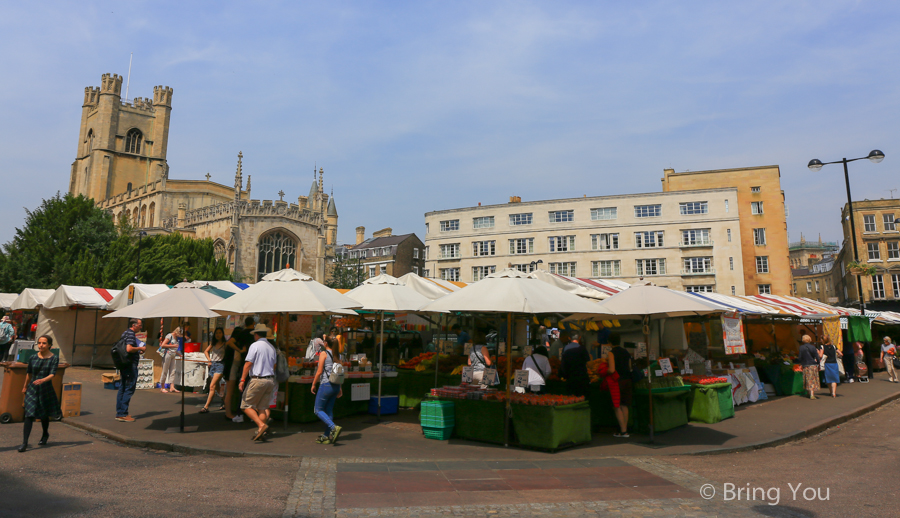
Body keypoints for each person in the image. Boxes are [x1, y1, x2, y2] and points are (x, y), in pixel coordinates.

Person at [18, 335, 60, 452]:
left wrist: (43, 380)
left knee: (44, 414)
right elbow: (29, 373)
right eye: (39, 343)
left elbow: (53, 373)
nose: (41, 345)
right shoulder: (32, 357)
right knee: (29, 414)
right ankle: (24, 443)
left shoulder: (54, 358)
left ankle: (45, 434)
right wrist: (25, 386)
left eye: (44, 343)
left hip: (45, 388)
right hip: (32, 388)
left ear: (50, 345)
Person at [239, 323, 277, 441]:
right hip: (270, 379)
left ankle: (261, 425)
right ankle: (261, 432)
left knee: (245, 405)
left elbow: (248, 363)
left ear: (256, 334)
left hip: (258, 379)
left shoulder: (255, 346)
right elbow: (274, 365)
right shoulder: (271, 347)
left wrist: (242, 379)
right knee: (262, 407)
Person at [311, 336, 344, 444]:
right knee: (328, 410)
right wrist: (340, 388)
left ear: (326, 344)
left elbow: (319, 371)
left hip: (326, 384)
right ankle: (326, 435)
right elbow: (340, 373)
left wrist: (313, 384)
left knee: (318, 410)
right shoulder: (338, 355)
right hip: (335, 385)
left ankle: (333, 427)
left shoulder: (324, 354)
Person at [224, 317, 254, 422]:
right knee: (233, 391)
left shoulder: (241, 336)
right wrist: (240, 350)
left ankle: (234, 412)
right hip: (236, 367)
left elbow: (229, 343)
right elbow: (229, 343)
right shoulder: (246, 336)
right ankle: (231, 413)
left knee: (235, 390)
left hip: (238, 367)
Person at [116, 318, 145, 421]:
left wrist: (136, 350)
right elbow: (129, 349)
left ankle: (120, 413)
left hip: (124, 364)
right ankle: (123, 413)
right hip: (130, 365)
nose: (141, 327)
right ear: (134, 325)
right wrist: (140, 348)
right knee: (129, 388)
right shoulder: (131, 334)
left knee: (122, 387)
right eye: (139, 325)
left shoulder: (125, 333)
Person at [607, 334, 633, 438]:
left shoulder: (611, 353)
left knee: (617, 406)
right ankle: (625, 429)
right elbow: (630, 366)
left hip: (618, 381)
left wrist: (606, 371)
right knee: (624, 405)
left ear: (609, 342)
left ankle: (623, 431)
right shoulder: (626, 352)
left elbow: (612, 369)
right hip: (627, 380)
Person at [201, 327, 227, 413]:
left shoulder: (225, 344)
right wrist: (209, 360)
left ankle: (206, 406)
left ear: (222, 334)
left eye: (220, 333)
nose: (218, 335)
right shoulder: (213, 343)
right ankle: (226, 403)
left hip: (220, 365)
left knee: (212, 386)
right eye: (216, 333)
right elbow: (206, 351)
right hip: (213, 365)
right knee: (217, 388)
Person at [561, 332, 591, 397]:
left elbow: (563, 365)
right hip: (582, 379)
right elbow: (588, 363)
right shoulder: (582, 349)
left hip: (570, 379)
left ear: (569, 338)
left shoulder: (565, 349)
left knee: (571, 399)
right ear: (579, 338)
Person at [158, 326, 181, 394]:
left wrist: (178, 354)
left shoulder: (176, 337)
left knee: (172, 371)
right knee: (165, 370)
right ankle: (162, 387)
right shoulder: (169, 335)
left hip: (173, 354)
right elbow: (163, 345)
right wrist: (173, 346)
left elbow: (173, 348)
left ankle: (172, 387)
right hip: (167, 354)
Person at [798, 335, 821, 400]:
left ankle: (808, 392)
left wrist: (800, 363)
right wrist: (818, 364)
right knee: (813, 379)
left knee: (807, 379)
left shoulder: (801, 347)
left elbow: (800, 357)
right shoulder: (813, 347)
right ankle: (812, 394)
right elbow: (817, 356)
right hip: (813, 365)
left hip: (805, 365)